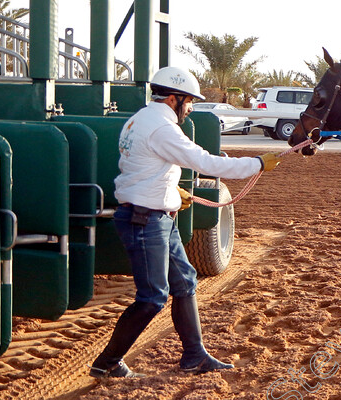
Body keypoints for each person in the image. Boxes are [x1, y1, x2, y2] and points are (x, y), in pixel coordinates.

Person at [90, 66, 282, 378]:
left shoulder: (141, 119)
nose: (191, 108)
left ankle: (195, 355)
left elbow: (139, 163)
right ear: (174, 98)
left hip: (155, 215)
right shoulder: (162, 128)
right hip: (145, 220)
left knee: (184, 282)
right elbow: (205, 162)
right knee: (152, 297)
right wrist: (257, 163)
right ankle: (106, 362)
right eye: (189, 101)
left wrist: (169, 188)